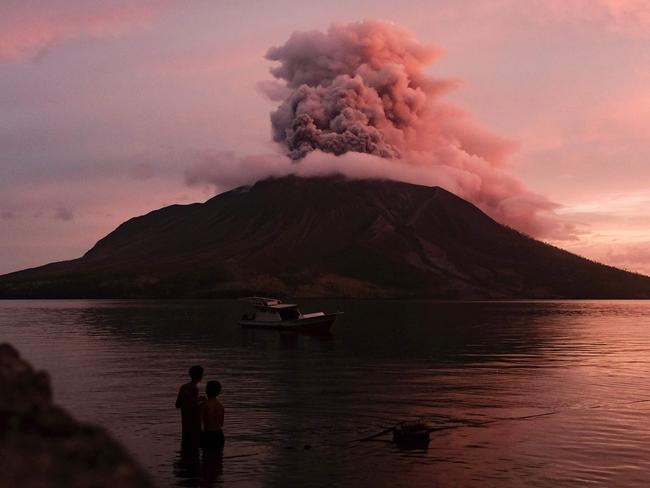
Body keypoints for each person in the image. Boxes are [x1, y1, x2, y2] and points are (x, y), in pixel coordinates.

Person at [175, 365, 204, 449]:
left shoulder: (183, 387)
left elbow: (178, 404)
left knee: (185, 449)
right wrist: (202, 402)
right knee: (195, 450)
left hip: (185, 425)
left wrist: (196, 399)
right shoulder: (195, 389)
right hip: (194, 425)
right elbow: (194, 407)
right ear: (200, 376)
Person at [200, 380, 225, 451]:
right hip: (219, 435)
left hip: (208, 434)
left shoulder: (204, 405)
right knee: (218, 458)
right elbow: (221, 423)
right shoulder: (220, 406)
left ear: (207, 390)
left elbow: (199, 422)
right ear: (218, 392)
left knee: (206, 458)